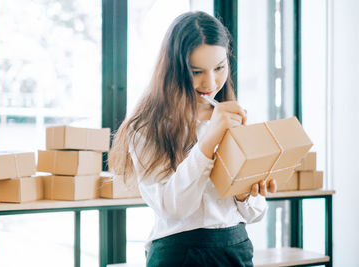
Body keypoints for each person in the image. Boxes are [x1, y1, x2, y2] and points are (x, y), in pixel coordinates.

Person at [109, 11, 277, 267]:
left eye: (220, 67)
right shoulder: (145, 127)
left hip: (236, 249)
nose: (210, 82)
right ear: (173, 69)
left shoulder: (233, 118)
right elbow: (173, 208)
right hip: (179, 255)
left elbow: (255, 213)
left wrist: (247, 193)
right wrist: (208, 142)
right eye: (196, 71)